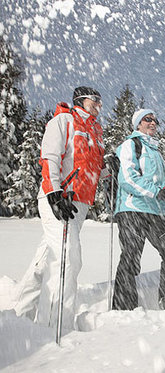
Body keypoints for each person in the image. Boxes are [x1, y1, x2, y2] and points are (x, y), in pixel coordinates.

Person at [14, 86, 105, 330]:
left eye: (100, 101)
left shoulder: (95, 130)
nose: (99, 104)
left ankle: (19, 317)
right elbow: (50, 157)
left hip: (79, 206)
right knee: (67, 258)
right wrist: (54, 193)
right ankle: (54, 328)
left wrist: (109, 168)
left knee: (46, 259)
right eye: (94, 100)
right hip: (59, 199)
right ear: (80, 100)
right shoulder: (64, 120)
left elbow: (91, 169)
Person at [111, 109, 165, 311]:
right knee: (131, 255)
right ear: (137, 124)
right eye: (148, 119)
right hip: (132, 209)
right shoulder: (131, 145)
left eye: (155, 120)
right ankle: (123, 309)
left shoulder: (156, 153)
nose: (153, 122)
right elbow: (127, 179)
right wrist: (156, 192)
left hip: (155, 212)